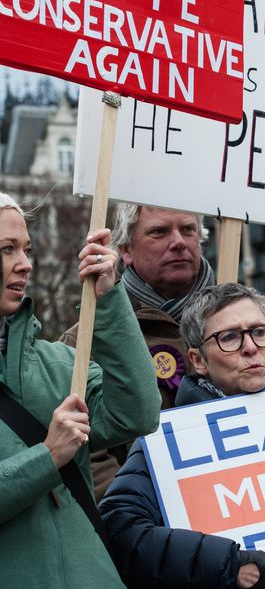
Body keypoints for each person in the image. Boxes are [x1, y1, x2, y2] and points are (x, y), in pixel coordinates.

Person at [62, 203, 265, 498]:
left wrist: (255, 330)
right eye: (159, 232)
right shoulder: (89, 337)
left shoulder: (254, 314)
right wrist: (144, 510)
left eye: (188, 230)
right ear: (125, 249)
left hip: (264, 496)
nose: (178, 242)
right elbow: (83, 448)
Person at [98, 283, 265, 589]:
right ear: (198, 360)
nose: (250, 347)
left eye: (259, 331)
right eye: (229, 337)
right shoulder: (167, 439)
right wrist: (230, 564)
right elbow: (120, 529)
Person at [0, 191, 160, 588]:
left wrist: (110, 298)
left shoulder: (61, 363)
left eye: (26, 249)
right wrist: (47, 457)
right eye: (7, 250)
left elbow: (137, 413)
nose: (25, 265)